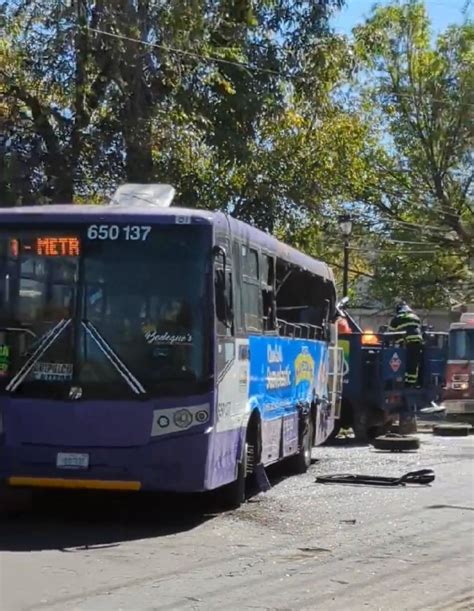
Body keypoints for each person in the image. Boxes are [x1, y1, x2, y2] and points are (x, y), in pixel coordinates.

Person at [389, 301, 424, 387]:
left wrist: (398, 342)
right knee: (413, 364)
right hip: (418, 343)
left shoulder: (397, 318)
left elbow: (390, 334)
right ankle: (412, 384)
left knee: (405, 363)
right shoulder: (415, 317)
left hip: (406, 344)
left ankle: (405, 383)